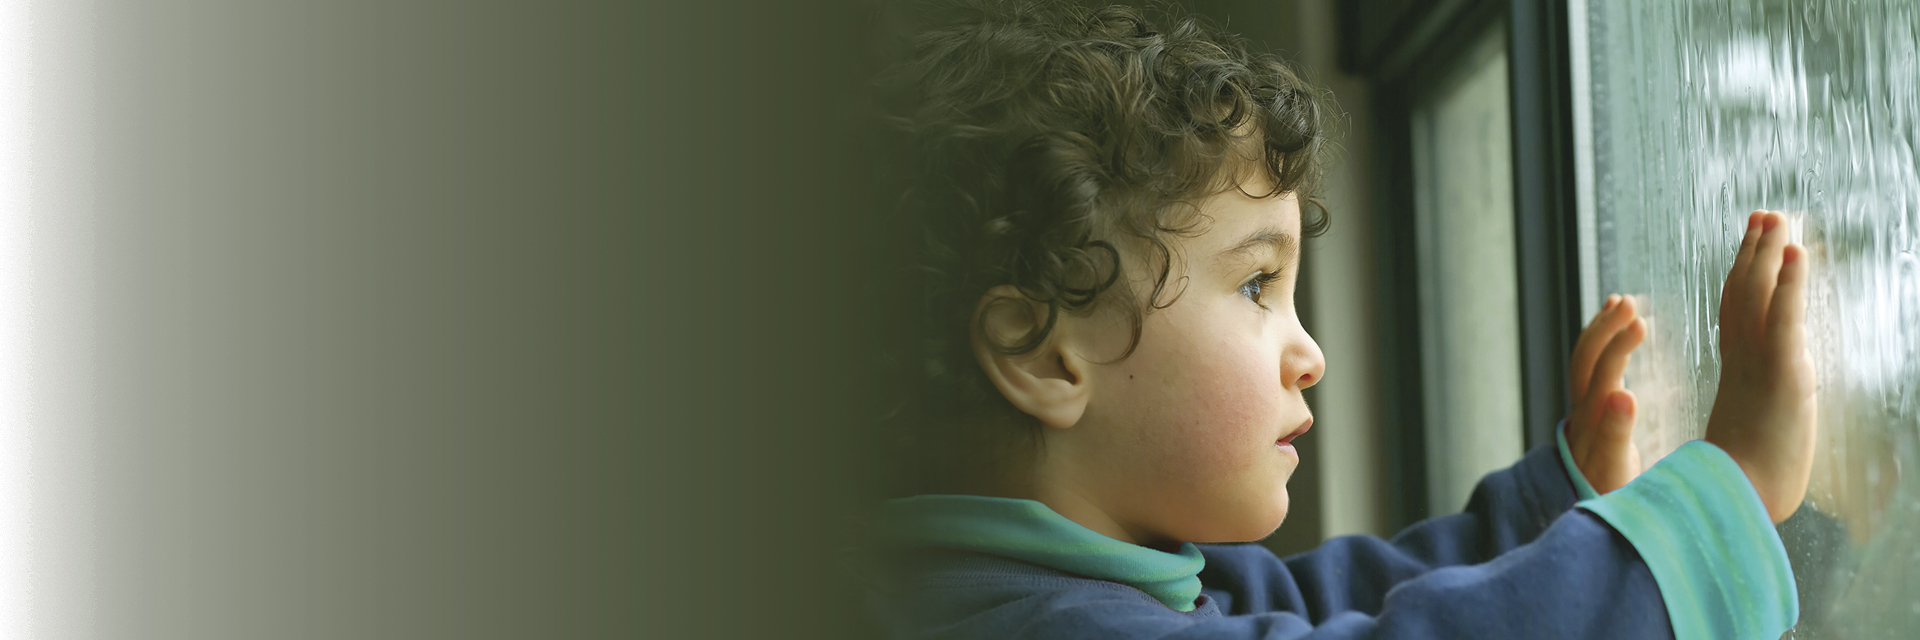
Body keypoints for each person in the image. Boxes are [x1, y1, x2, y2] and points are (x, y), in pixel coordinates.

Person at [862, 2, 1815, 637]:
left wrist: (1555, 495)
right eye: (1254, 286)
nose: (1309, 353)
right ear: (1044, 356)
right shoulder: (1031, 625)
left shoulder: (1114, 585)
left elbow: (1331, 600)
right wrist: (1720, 504)